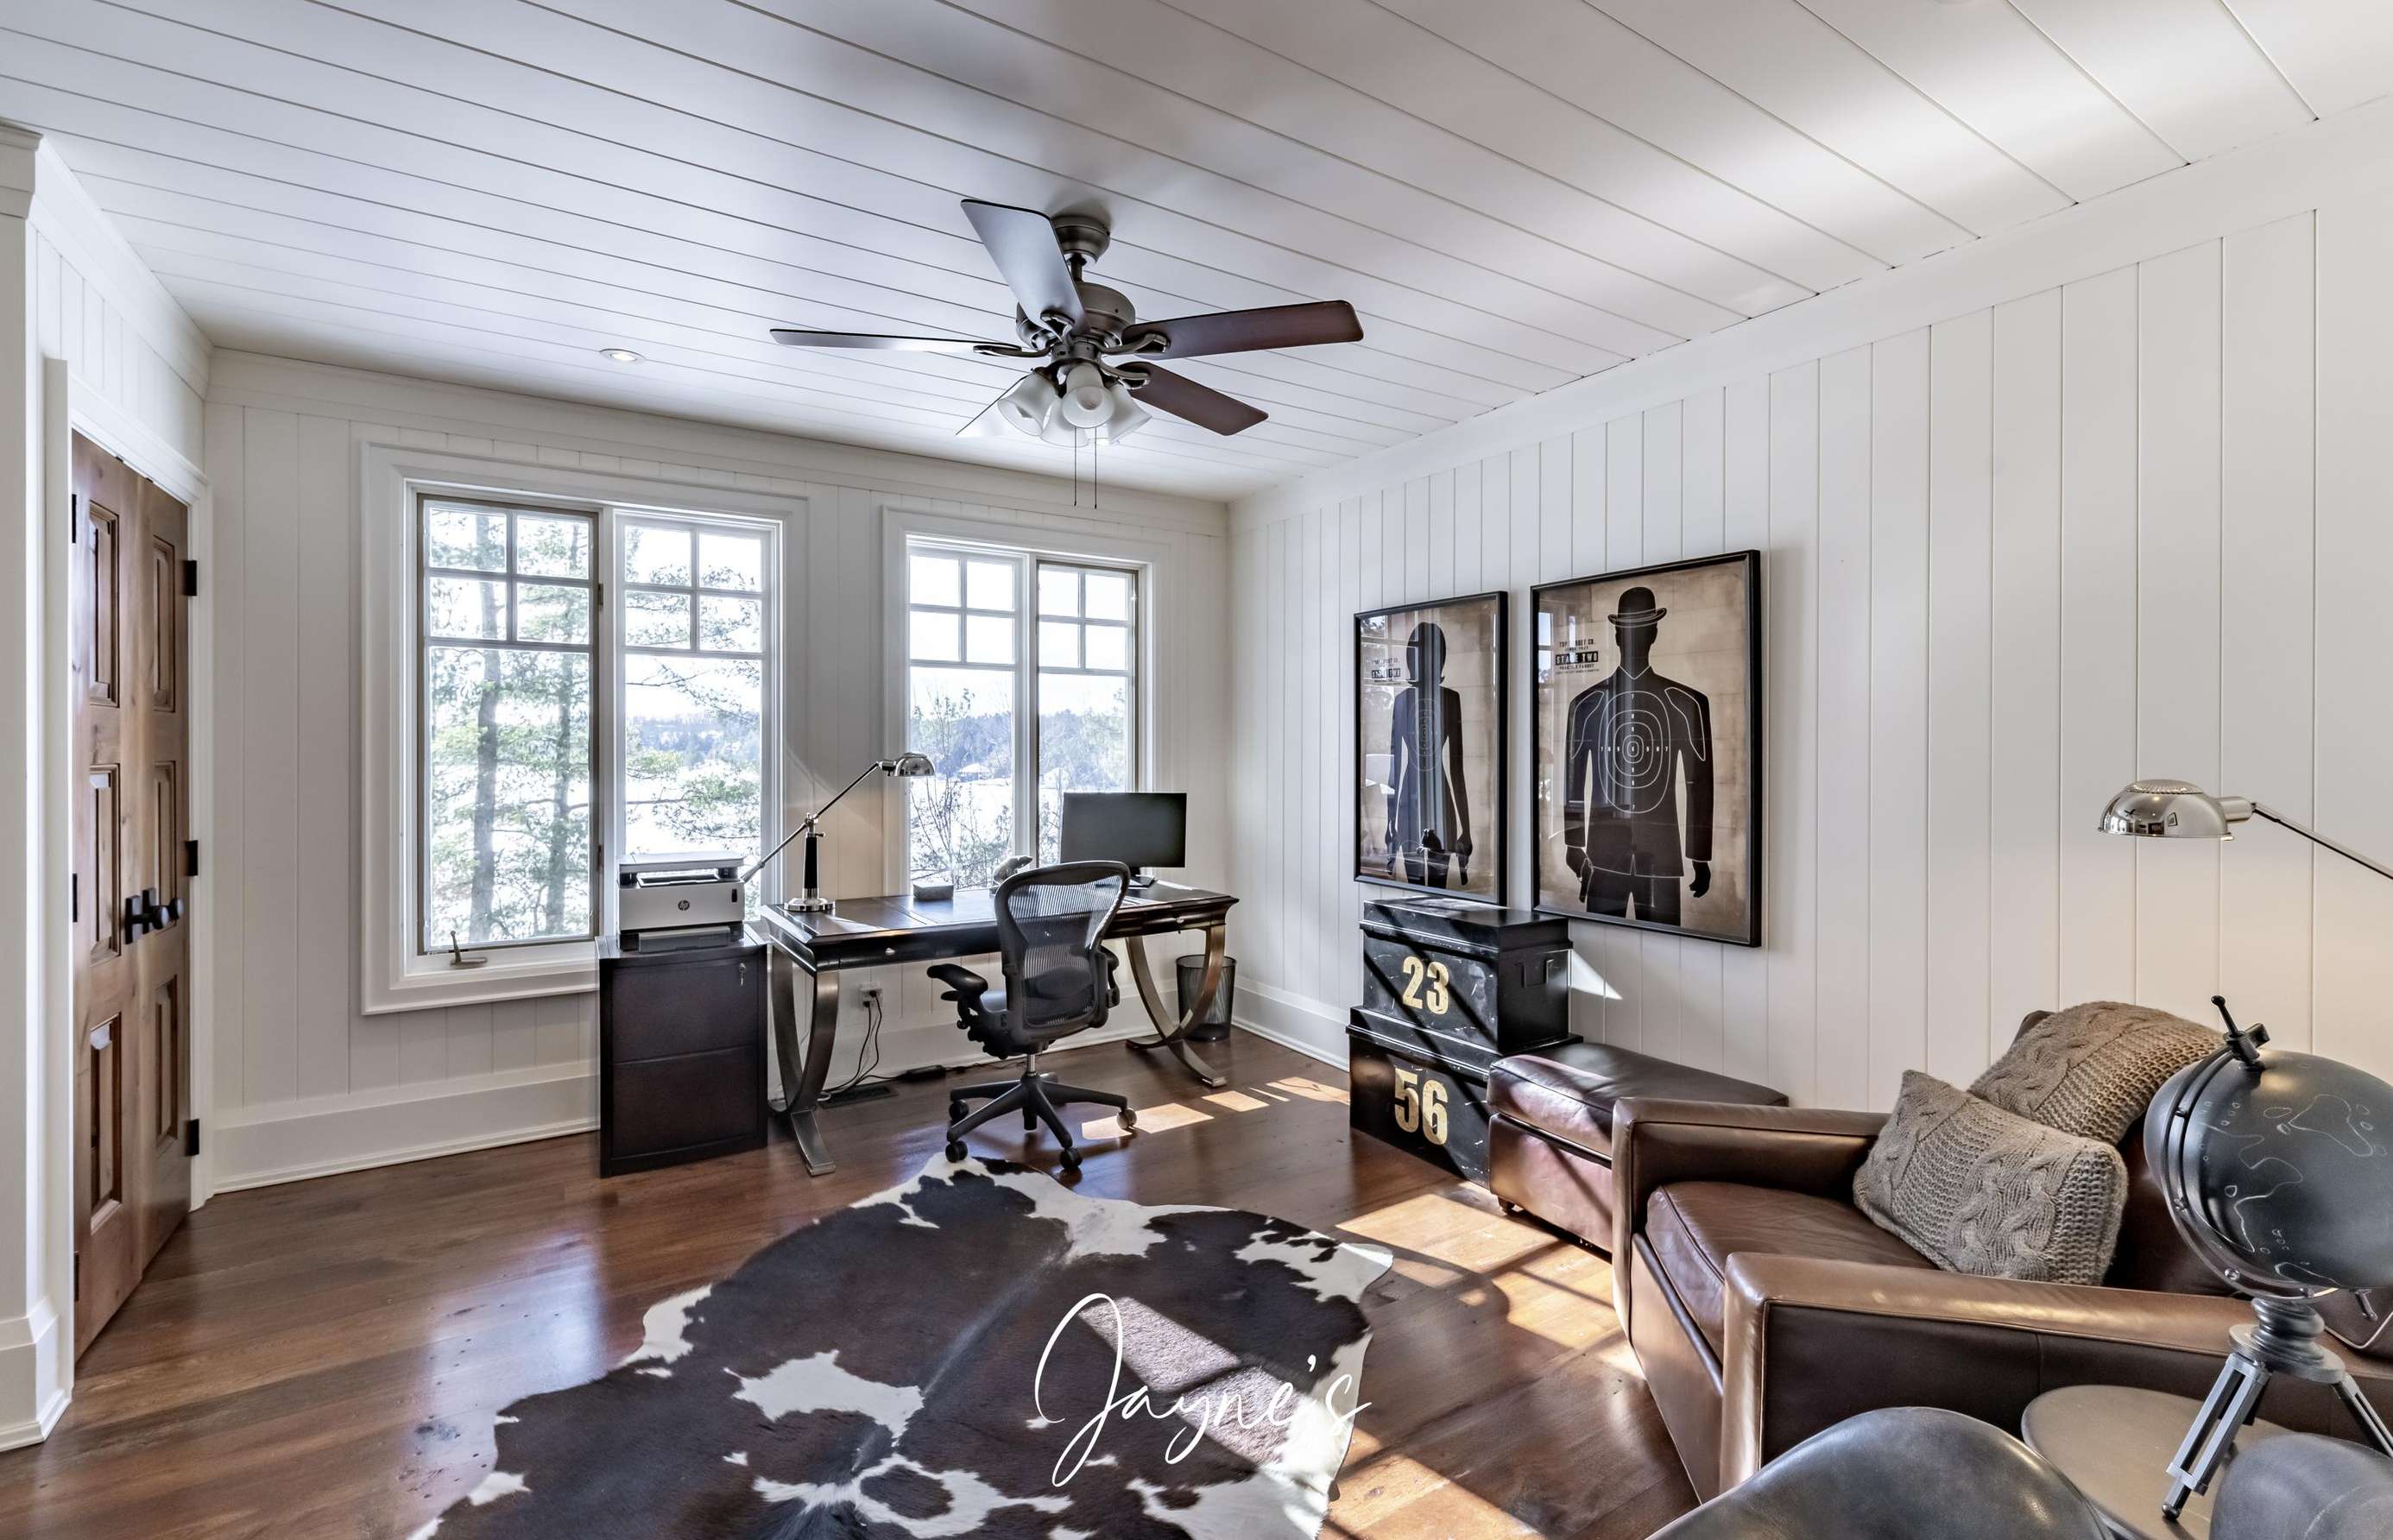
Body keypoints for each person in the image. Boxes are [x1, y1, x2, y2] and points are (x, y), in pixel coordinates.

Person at [1562, 586, 1712, 925]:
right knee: (1599, 940)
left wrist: (1699, 854)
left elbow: (1699, 785)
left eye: (1640, 629)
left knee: (1667, 944)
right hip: (1602, 856)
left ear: (1654, 633)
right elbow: (1573, 783)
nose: (1633, 637)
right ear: (1617, 635)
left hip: (1661, 856)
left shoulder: (1685, 702)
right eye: (1630, 629)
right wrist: (1574, 845)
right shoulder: (1586, 704)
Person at [1386, 621, 1473, 888]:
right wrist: (1390, 823)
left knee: (1434, 884)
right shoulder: (1408, 700)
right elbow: (1395, 766)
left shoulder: (1444, 699)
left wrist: (1467, 829)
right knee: (1422, 886)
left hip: (1424, 799)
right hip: (1421, 800)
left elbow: (1457, 769)